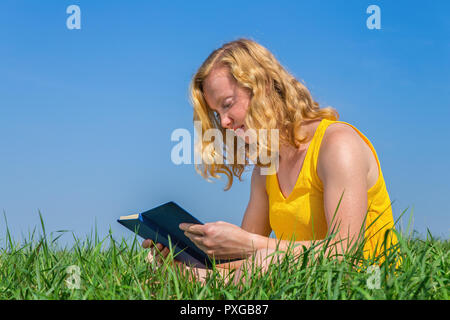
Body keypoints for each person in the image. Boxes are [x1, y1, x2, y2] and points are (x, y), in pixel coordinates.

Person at [142, 38, 399, 284]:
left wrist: (251, 245)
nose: (224, 122)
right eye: (217, 114)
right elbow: (241, 257)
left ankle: (200, 283)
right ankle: (194, 278)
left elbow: (345, 253)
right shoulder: (265, 168)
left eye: (228, 104)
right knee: (259, 261)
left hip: (366, 282)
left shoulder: (338, 145)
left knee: (265, 260)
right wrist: (185, 257)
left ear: (263, 87)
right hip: (303, 281)